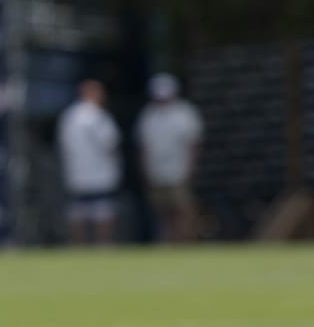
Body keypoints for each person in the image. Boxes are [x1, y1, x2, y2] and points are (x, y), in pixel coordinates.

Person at [136, 72, 204, 243]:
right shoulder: (149, 116)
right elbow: (144, 148)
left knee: (183, 210)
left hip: (178, 170)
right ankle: (168, 242)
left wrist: (190, 168)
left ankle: (185, 241)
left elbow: (193, 145)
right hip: (157, 172)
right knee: (162, 212)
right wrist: (146, 171)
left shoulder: (185, 114)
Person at [57, 78, 122, 244]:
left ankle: (79, 247)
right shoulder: (100, 117)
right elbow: (110, 144)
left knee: (78, 214)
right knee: (103, 213)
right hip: (100, 174)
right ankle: (103, 245)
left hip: (76, 174)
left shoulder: (69, 116)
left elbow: (63, 145)